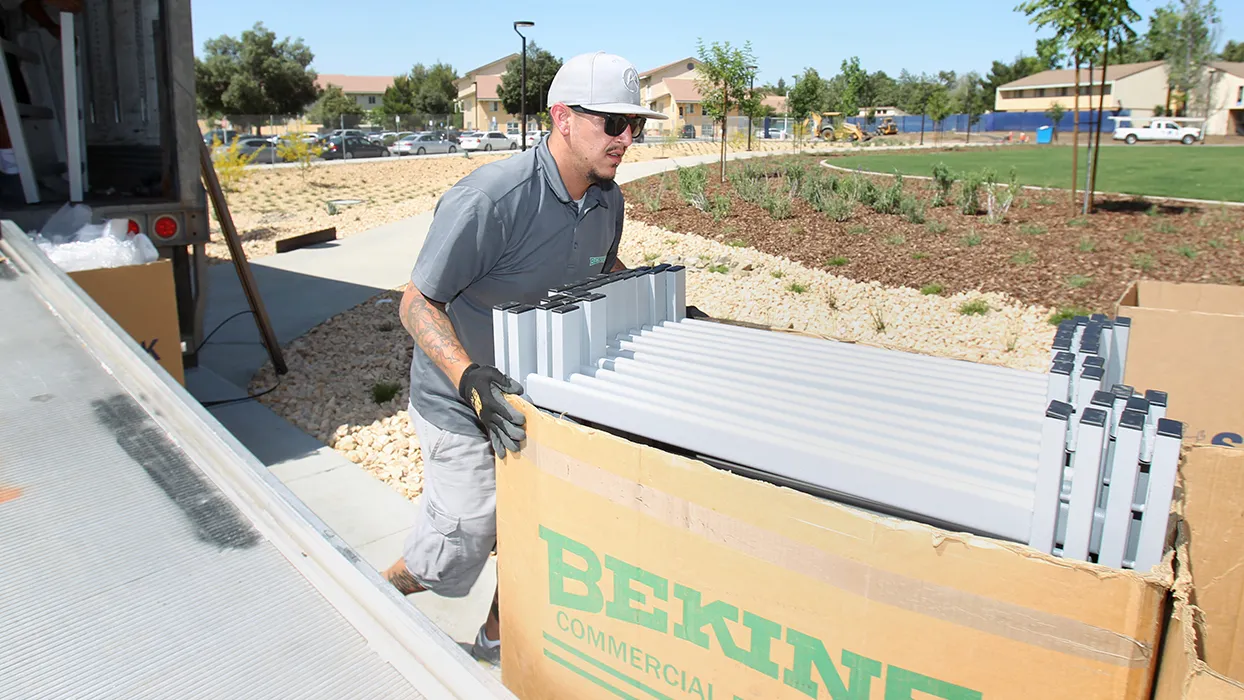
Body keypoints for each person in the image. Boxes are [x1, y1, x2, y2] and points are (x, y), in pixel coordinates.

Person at [381, 51, 667, 665]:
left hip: (538, 390)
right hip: (462, 396)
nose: (627, 139)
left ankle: (498, 630)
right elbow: (416, 302)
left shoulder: (606, 198)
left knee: (542, 523)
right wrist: (471, 381)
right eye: (612, 123)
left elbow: (597, 268)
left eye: (635, 126)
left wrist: (650, 297)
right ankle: (380, 590)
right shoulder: (491, 200)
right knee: (465, 537)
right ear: (563, 118)